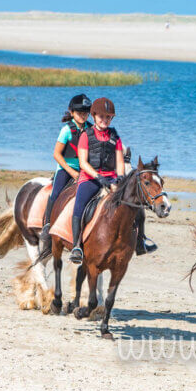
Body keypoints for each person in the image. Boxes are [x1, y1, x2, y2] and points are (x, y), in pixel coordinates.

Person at [69, 97, 126, 264]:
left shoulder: (115, 136)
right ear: (93, 116)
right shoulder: (86, 135)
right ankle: (76, 246)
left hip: (111, 178)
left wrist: (120, 178)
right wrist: (98, 176)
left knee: (130, 203)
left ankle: (138, 240)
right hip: (90, 178)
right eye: (101, 116)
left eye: (108, 117)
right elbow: (83, 163)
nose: (105, 120)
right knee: (79, 205)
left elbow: (120, 160)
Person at [39, 94, 92, 253]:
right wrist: (70, 171)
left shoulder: (90, 130)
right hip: (66, 168)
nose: (83, 115)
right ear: (72, 112)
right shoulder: (66, 130)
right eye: (79, 112)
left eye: (85, 112)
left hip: (84, 168)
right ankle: (47, 224)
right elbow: (57, 154)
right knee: (55, 193)